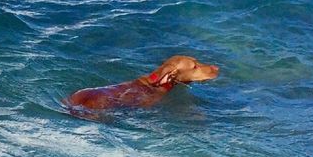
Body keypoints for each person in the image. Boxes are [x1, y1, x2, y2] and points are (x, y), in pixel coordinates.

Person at [65, 55, 218, 113]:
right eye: (195, 67)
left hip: (76, 97)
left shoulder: (139, 83)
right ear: (170, 76)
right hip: (96, 108)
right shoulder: (155, 94)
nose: (210, 68)